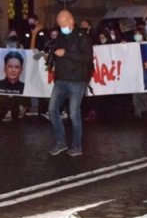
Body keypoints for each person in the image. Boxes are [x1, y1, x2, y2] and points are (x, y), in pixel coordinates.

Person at [47, 10, 93, 157]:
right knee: (52, 109)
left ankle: (77, 146)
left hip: (77, 81)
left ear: (71, 20)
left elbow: (87, 58)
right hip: (61, 79)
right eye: (60, 24)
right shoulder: (61, 36)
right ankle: (61, 142)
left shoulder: (82, 37)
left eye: (64, 23)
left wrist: (66, 54)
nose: (62, 27)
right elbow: (57, 52)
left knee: (74, 113)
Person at [22, 14, 48, 116]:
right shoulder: (27, 33)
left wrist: (36, 33)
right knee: (33, 82)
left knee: (44, 82)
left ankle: (51, 106)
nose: (31, 24)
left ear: (37, 21)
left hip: (42, 62)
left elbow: (42, 47)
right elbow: (29, 48)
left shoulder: (43, 32)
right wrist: (33, 34)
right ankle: (34, 107)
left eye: (33, 21)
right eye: (29, 22)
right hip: (32, 63)